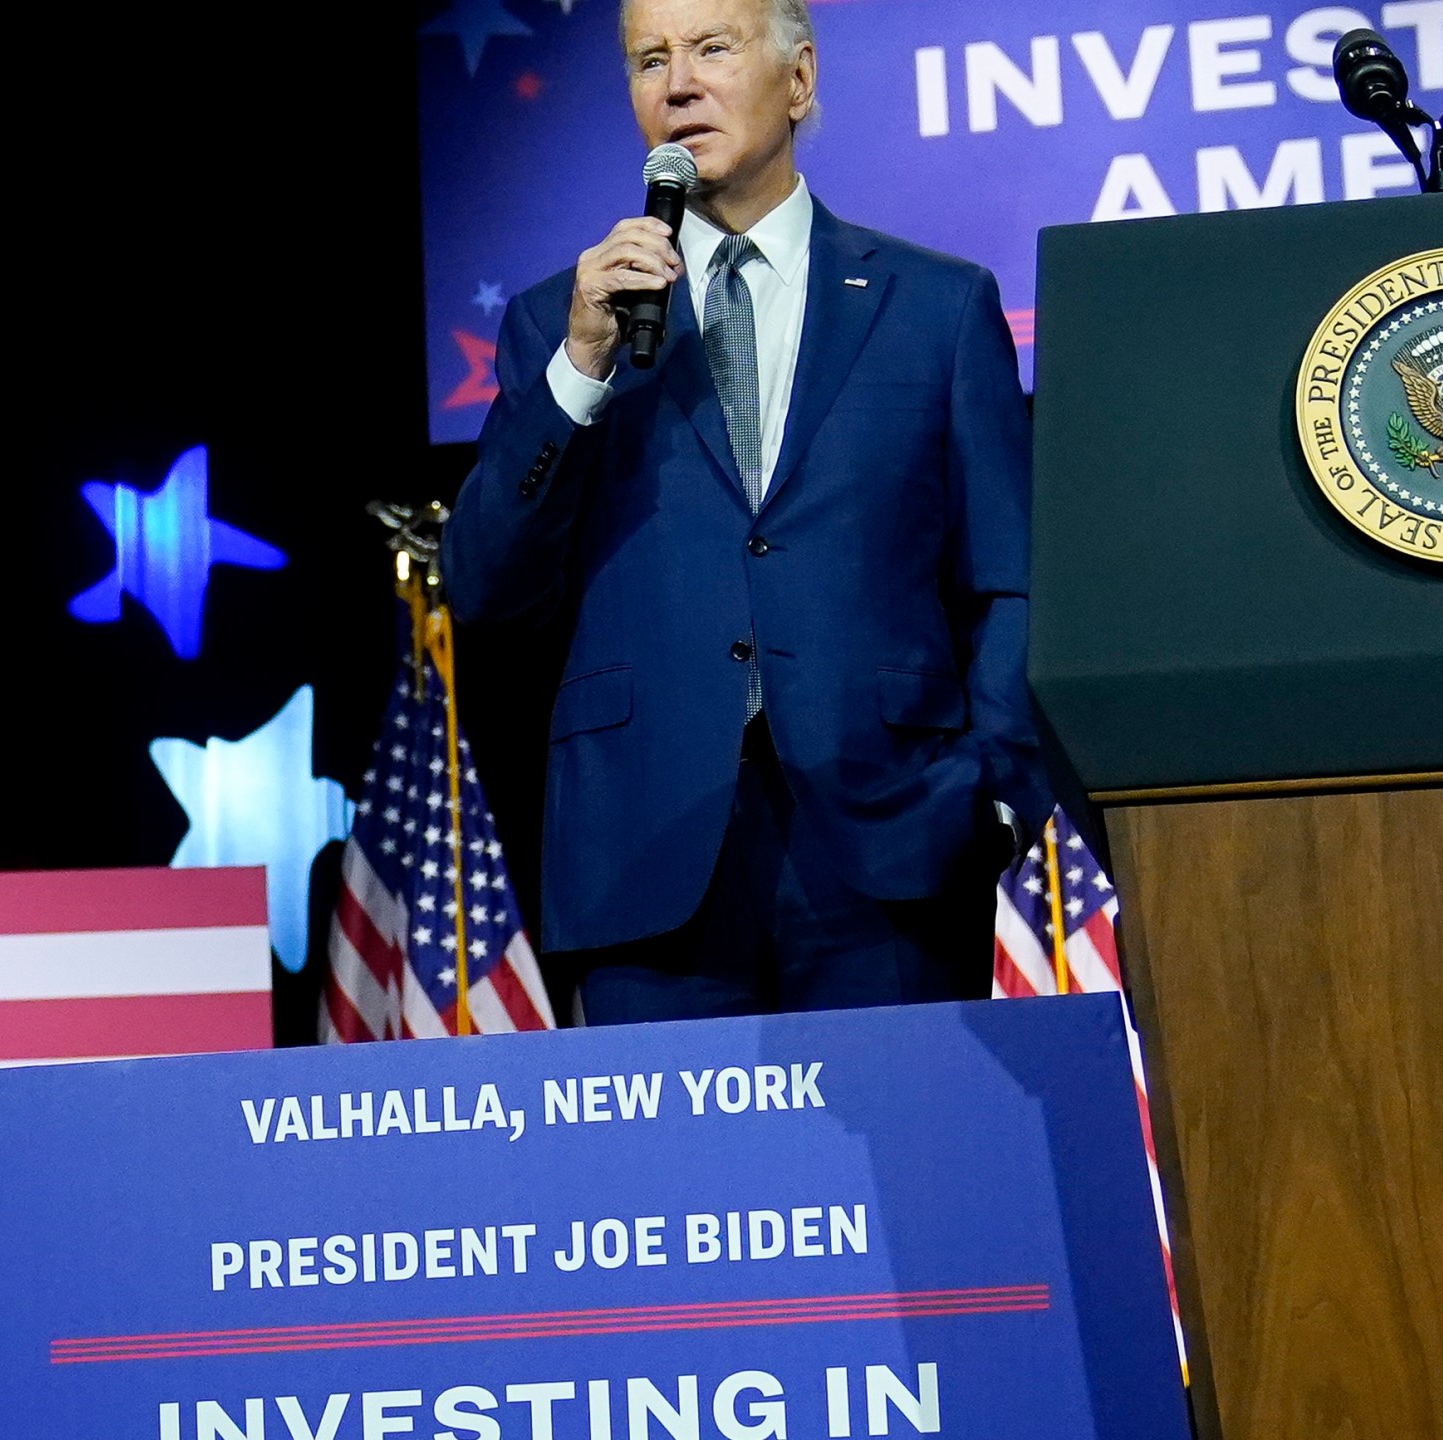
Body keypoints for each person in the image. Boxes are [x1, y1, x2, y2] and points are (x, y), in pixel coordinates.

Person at [442, 0, 1047, 1023]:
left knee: (913, 1176)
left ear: (799, 79)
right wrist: (580, 370)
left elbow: (1012, 578)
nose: (677, 83)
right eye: (648, 60)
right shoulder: (562, 321)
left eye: (712, 48)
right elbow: (485, 586)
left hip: (893, 841)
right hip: (645, 851)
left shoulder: (936, 307)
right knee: (679, 1186)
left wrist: (992, 793)